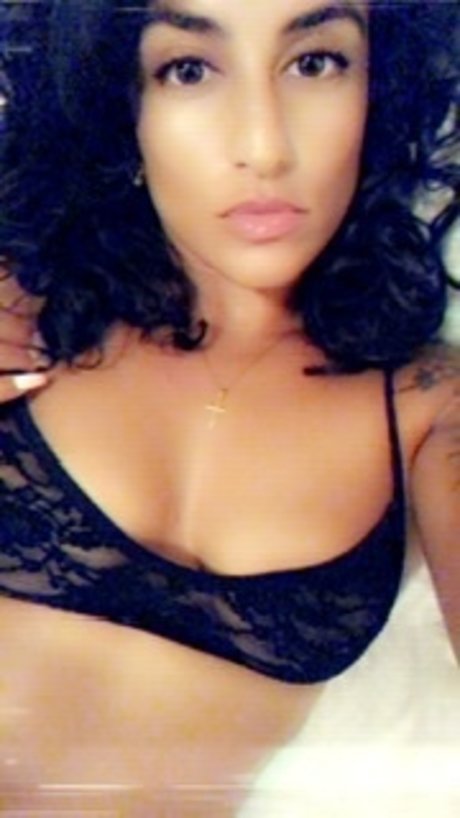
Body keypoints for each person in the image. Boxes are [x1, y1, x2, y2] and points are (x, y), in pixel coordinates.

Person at [0, 0, 459, 815]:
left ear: (379, 84)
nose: (265, 145)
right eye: (189, 69)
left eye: (315, 62)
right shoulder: (18, 303)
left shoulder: (430, 410)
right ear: (124, 96)